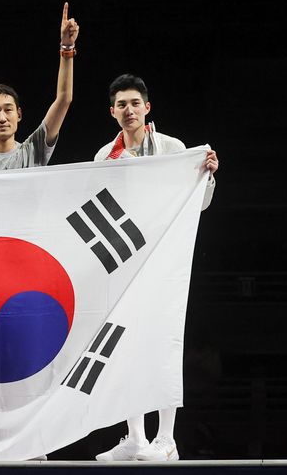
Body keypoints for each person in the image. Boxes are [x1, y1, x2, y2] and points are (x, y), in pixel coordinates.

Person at [94, 73, 218, 463]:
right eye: (121, 105)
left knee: (162, 342)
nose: (128, 110)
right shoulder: (104, 157)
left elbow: (197, 203)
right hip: (125, 260)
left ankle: (166, 439)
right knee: (125, 346)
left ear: (147, 107)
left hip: (164, 257)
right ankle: (135, 437)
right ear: (112, 112)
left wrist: (207, 176)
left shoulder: (172, 148)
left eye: (135, 103)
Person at [0, 3, 79, 174]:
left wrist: (67, 47)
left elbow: (64, 99)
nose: (2, 118)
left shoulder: (33, 151)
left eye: (8, 110)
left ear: (18, 114)